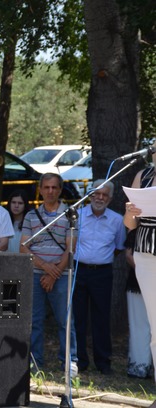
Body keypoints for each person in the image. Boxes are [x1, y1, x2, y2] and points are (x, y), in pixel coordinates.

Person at [20, 172, 78, 377]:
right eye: (47, 187)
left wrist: (54, 273)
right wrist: (46, 267)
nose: (50, 191)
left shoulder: (70, 214)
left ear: (60, 190)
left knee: (65, 320)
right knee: (34, 320)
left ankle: (69, 362)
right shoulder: (30, 216)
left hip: (61, 275)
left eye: (54, 187)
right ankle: (35, 361)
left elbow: (71, 248)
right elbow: (24, 247)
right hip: (36, 273)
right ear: (41, 189)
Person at [73, 180, 125, 375]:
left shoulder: (117, 220)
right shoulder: (77, 216)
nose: (100, 198)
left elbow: (119, 248)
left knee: (101, 318)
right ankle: (79, 360)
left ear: (110, 199)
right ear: (90, 195)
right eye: (96, 194)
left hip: (103, 273)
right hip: (79, 270)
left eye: (104, 195)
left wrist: (100, 259)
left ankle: (103, 362)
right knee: (78, 317)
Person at [124, 155, 156, 385]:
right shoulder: (142, 176)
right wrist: (130, 212)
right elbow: (129, 224)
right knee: (155, 327)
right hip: (145, 255)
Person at [124, 229, 153, 379]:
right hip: (137, 284)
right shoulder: (137, 229)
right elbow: (129, 256)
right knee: (139, 325)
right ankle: (139, 367)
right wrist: (147, 272)